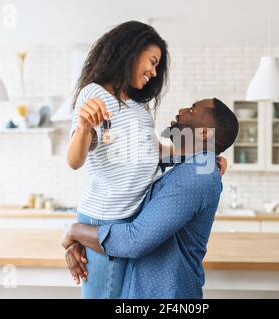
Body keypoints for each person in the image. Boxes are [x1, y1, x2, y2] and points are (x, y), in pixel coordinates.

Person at [66, 21, 227, 299]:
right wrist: (83, 127)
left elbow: (154, 151)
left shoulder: (138, 106)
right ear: (130, 51)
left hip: (126, 222)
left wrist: (207, 155)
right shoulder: (94, 95)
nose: (154, 72)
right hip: (106, 218)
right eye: (152, 62)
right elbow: (74, 160)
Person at [63, 98, 239, 298]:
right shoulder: (194, 166)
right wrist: (80, 241)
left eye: (192, 109)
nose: (182, 108)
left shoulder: (196, 175)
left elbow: (135, 240)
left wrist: (74, 231)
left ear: (205, 133)